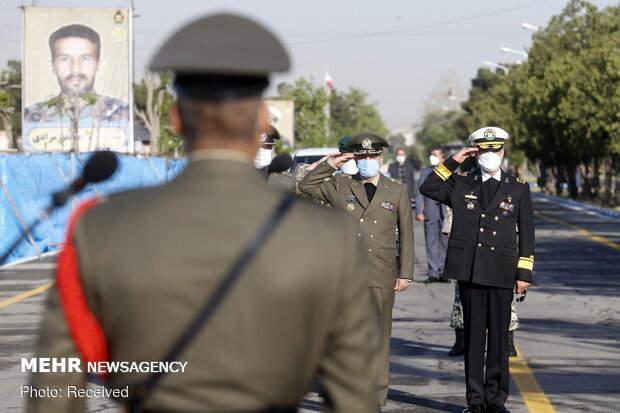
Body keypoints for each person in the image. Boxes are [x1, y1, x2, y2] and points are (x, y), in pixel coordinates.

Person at [28, 14, 380, 413]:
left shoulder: (102, 226)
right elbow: (355, 394)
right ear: (262, 119)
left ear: (176, 119)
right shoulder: (327, 237)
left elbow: (53, 385)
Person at [420, 126, 535, 413]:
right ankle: (475, 401)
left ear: (503, 152)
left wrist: (524, 274)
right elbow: (428, 187)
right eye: (484, 151)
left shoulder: (518, 187)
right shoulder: (462, 183)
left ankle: (496, 400)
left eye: (495, 150)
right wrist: (454, 160)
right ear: (476, 153)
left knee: (498, 340)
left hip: (501, 271)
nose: (490, 156)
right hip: (470, 271)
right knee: (473, 340)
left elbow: (528, 235)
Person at [299, 132, 414, 405]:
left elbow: (406, 234)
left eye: (371, 156)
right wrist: (333, 163)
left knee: (379, 337)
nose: (367, 161)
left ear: (380, 158)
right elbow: (306, 184)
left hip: (381, 272)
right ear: (354, 158)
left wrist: (405, 272)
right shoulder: (340, 185)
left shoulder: (396, 189)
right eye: (361, 156)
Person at [444, 206, 521, 358]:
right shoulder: (461, 183)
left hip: (498, 247)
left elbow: (513, 224)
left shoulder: (507, 185)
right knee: (461, 296)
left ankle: (507, 339)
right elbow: (452, 212)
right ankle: (461, 339)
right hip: (468, 246)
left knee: (504, 298)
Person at [24, 24, 129, 126]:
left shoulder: (120, 112)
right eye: (65, 58)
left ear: (99, 65)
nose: (75, 69)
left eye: (85, 58)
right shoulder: (33, 116)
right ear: (52, 66)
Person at [415, 148, 450, 283]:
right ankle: (433, 272)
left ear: (442, 157)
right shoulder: (426, 171)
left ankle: (443, 272)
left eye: (434, 155)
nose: (432, 157)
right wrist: (418, 211)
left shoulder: (452, 170)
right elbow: (419, 193)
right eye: (431, 155)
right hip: (430, 211)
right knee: (431, 243)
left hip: (447, 213)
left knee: (445, 243)